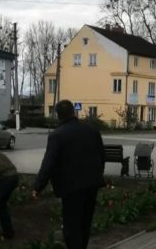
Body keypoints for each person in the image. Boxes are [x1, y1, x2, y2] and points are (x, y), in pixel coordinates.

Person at [33, 100, 105, 249]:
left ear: (58, 116)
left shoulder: (57, 135)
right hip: (92, 185)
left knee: (71, 226)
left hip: (71, 188)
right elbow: (101, 157)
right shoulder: (92, 131)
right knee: (85, 223)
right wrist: (97, 176)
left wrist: (37, 187)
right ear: (74, 112)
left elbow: (49, 163)